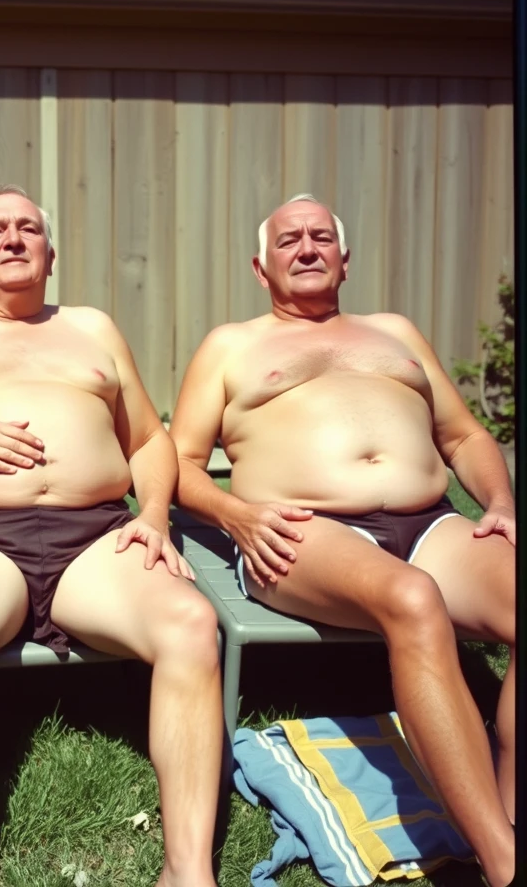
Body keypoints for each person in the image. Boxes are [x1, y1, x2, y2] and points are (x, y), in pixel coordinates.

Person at [0, 184, 222, 887]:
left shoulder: (93, 328)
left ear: (50, 253)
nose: (13, 238)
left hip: (95, 533)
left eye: (28, 229)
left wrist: (151, 514)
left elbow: (146, 440)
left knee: (190, 622)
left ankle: (189, 868)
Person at [169, 193, 516, 887]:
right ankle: (505, 866)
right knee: (413, 601)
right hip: (300, 530)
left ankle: (504, 819)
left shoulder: (394, 331)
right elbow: (177, 464)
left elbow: (465, 435)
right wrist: (237, 516)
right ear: (260, 266)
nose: (307, 247)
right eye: (289, 239)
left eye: (321, 237)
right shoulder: (232, 345)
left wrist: (502, 499)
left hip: (430, 522)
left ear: (345, 258)